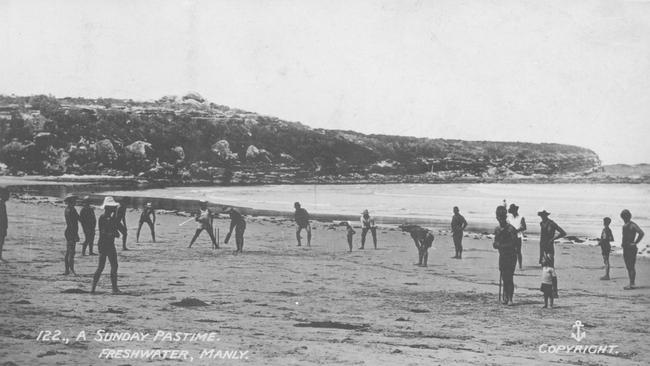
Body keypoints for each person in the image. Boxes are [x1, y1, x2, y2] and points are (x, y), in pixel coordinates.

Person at [91, 196, 121, 294]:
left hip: (105, 244)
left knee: (107, 266)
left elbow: (115, 231)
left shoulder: (109, 218)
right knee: (106, 266)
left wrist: (114, 232)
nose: (114, 208)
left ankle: (94, 289)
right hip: (106, 244)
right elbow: (105, 232)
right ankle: (113, 288)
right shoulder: (104, 218)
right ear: (108, 208)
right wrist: (113, 233)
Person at [493, 205, 518, 306]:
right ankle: (505, 297)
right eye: (498, 217)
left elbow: (514, 244)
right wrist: (496, 245)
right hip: (502, 255)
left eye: (502, 217)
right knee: (504, 276)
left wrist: (501, 245)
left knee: (509, 277)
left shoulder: (511, 229)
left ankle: (510, 298)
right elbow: (495, 243)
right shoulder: (497, 229)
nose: (500, 219)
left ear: (505, 217)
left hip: (511, 256)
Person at [620, 209, 644, 290]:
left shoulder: (632, 225)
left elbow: (641, 233)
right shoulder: (626, 224)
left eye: (624, 217)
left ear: (627, 216)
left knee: (631, 266)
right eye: (623, 217)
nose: (623, 218)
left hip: (631, 248)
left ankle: (632, 284)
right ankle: (631, 283)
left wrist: (635, 243)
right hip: (626, 248)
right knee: (629, 266)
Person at [63, 195, 80, 276]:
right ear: (71, 201)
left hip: (68, 231)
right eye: (74, 201)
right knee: (71, 252)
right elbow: (72, 223)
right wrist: (76, 234)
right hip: (71, 232)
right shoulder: (71, 210)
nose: (76, 202)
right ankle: (71, 270)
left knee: (68, 252)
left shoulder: (68, 209)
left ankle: (67, 270)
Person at [507, 204, 527, 270]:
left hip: (518, 236)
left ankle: (520, 266)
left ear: (515, 210)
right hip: (510, 236)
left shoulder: (521, 217)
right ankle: (511, 265)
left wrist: (516, 230)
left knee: (518, 251)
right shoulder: (509, 218)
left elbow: (524, 227)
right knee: (511, 251)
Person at [0, 187, 8, 261]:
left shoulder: (2, 203)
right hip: (1, 226)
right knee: (1, 241)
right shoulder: (1, 204)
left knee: (1, 241)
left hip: (2, 226)